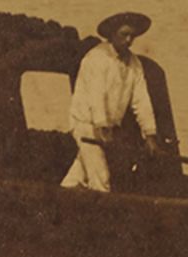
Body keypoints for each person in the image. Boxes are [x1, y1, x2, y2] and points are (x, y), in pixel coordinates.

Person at [61, 11, 166, 192]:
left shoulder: (134, 64)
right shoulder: (97, 58)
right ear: (112, 34)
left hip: (106, 125)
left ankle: (61, 196)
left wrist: (149, 135)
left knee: (78, 174)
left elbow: (141, 100)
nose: (128, 40)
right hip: (87, 123)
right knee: (101, 178)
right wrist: (103, 126)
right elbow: (97, 95)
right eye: (123, 34)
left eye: (131, 36)